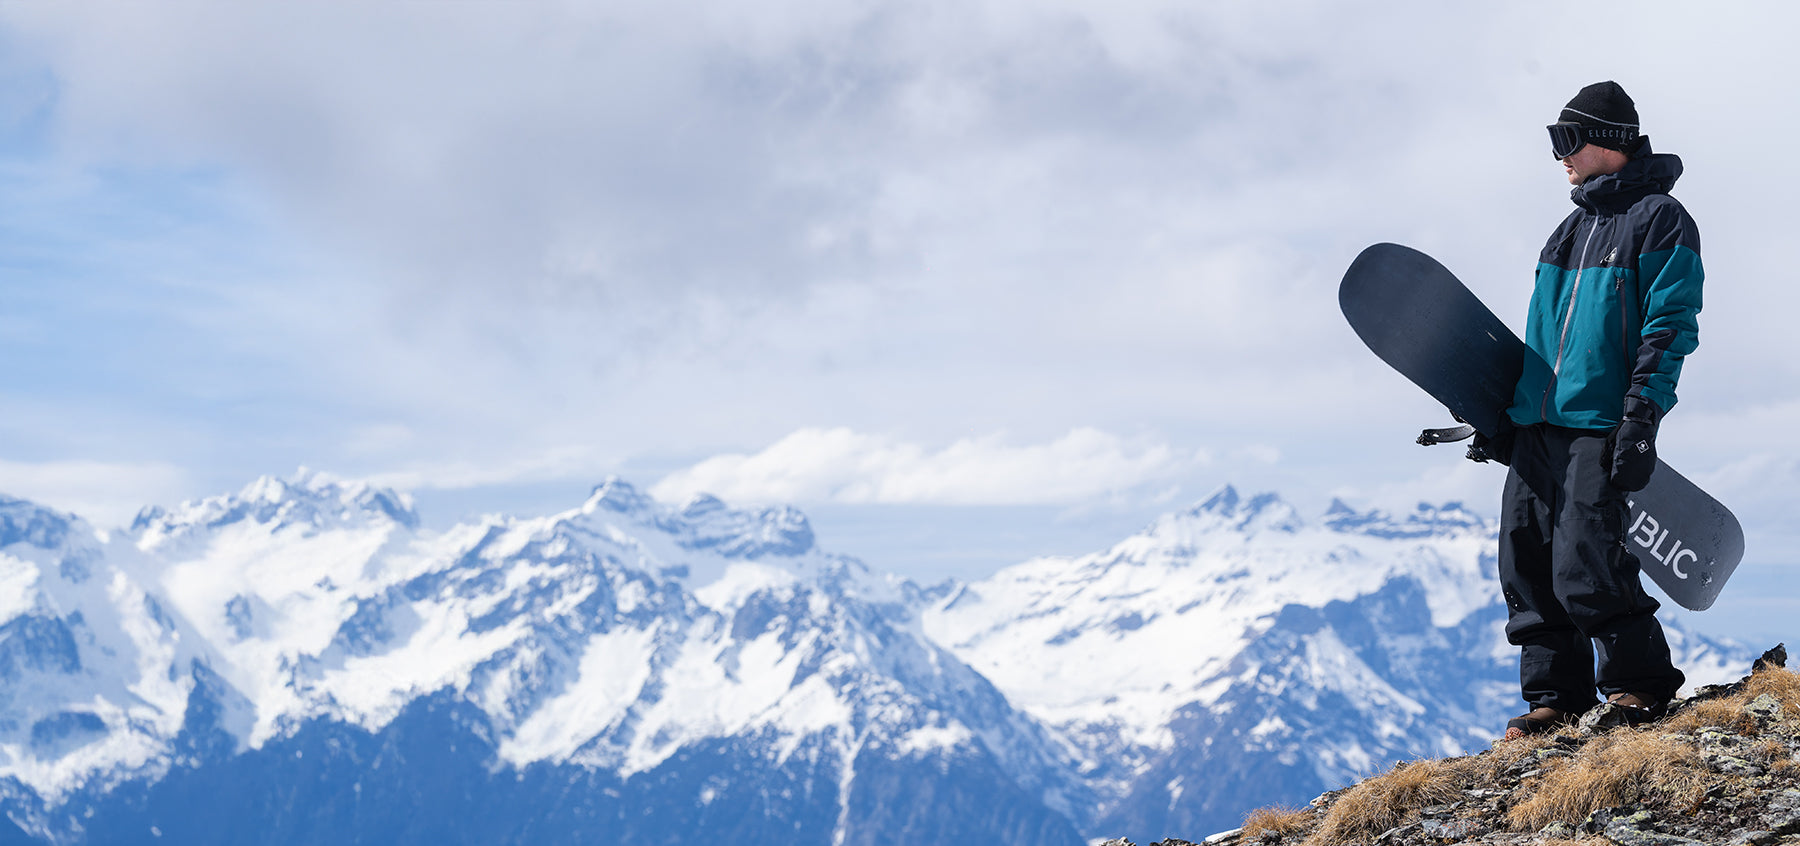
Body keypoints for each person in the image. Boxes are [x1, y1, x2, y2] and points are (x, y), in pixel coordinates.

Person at [1470, 81, 1703, 741]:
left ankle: (1641, 685)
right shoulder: (1568, 230)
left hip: (1599, 423)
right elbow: (1544, 339)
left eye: (1565, 141)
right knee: (1526, 559)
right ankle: (1556, 699)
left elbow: (1670, 325)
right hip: (1538, 426)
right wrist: (1505, 420)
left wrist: (1642, 416)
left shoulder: (1660, 219)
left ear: (1610, 141)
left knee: (1585, 561)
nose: (1559, 157)